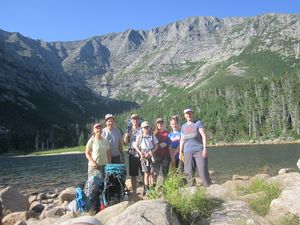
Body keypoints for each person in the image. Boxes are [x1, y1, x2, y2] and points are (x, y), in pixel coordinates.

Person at [179, 108, 212, 187]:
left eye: (190, 113)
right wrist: (180, 152)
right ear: (184, 115)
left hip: (199, 150)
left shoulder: (198, 123)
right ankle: (191, 188)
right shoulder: (183, 126)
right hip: (187, 151)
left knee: (202, 171)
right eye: (187, 114)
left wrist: (205, 149)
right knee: (188, 172)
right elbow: (182, 140)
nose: (189, 115)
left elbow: (204, 136)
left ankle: (208, 187)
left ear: (192, 114)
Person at [134, 121, 158, 195]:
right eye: (144, 127)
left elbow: (156, 146)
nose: (146, 128)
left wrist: (151, 153)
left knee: (153, 173)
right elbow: (135, 146)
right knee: (146, 173)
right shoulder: (140, 136)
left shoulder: (152, 135)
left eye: (147, 127)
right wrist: (141, 153)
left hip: (152, 155)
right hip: (144, 157)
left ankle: (153, 189)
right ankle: (147, 190)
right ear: (142, 128)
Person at [123, 113, 142, 193]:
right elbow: (125, 143)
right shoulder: (128, 129)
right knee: (133, 175)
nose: (135, 120)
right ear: (131, 120)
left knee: (144, 172)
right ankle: (134, 191)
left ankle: (146, 189)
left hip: (142, 153)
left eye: (137, 119)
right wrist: (127, 136)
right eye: (133, 119)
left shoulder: (142, 128)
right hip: (132, 154)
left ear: (139, 120)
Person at [153, 118, 171, 183]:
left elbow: (170, 143)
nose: (159, 124)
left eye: (161, 123)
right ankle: (153, 188)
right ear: (156, 125)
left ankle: (165, 188)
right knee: (155, 172)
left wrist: (166, 143)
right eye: (158, 123)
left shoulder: (167, 133)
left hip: (166, 156)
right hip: (157, 156)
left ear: (163, 124)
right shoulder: (154, 134)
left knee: (165, 172)